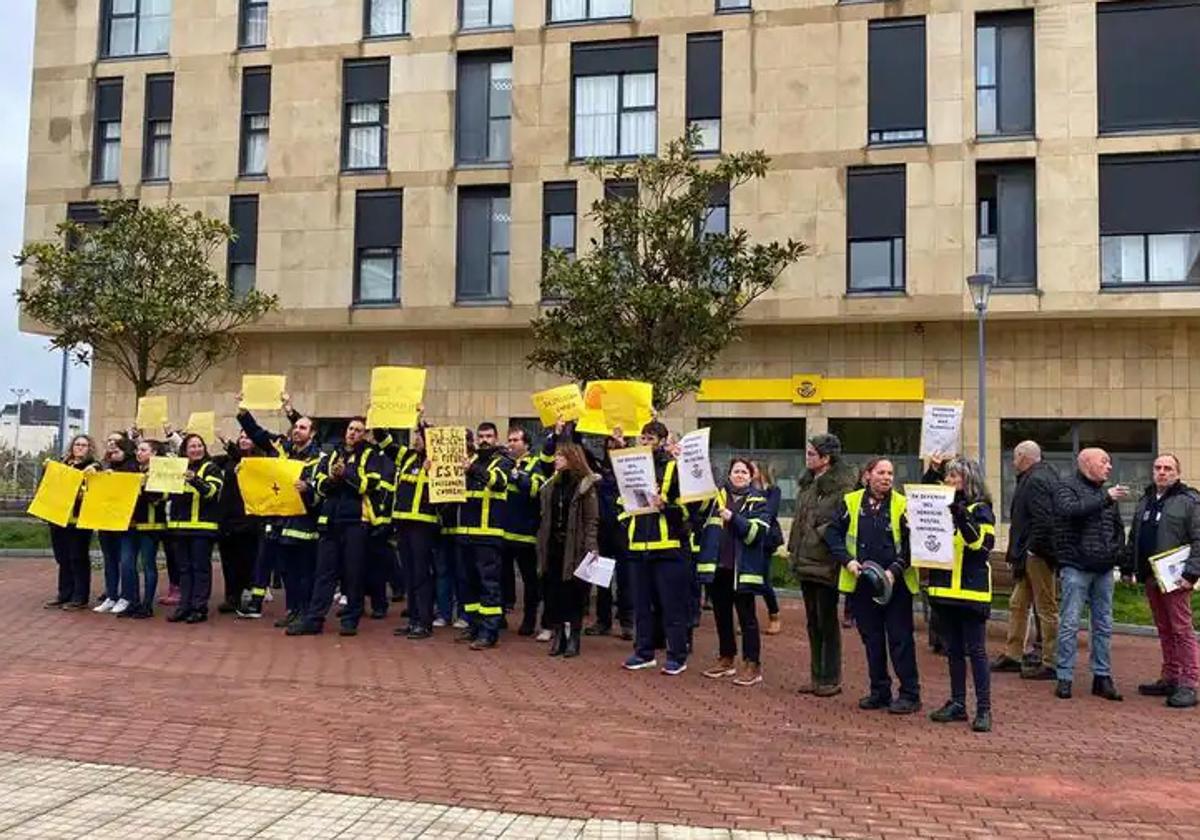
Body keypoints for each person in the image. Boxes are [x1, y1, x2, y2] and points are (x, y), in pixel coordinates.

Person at [825, 457, 921, 714]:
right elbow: (832, 534)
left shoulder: (902, 505)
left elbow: (915, 544)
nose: (887, 477)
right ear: (868, 475)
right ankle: (879, 691)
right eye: (881, 472)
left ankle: (910, 694)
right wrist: (847, 561)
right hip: (864, 584)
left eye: (890, 473)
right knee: (872, 639)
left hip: (896, 585)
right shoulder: (851, 501)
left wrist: (895, 570)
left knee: (900, 640)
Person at [287, 417, 386, 636]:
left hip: (356, 522)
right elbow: (319, 485)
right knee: (324, 572)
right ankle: (314, 620)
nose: (352, 433)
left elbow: (370, 484)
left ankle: (351, 619)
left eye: (358, 430)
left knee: (353, 573)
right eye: (350, 429)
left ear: (366, 434)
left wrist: (346, 474)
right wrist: (332, 478)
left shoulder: (371, 455)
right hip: (331, 521)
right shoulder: (333, 453)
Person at [236, 395, 323, 625]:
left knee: (305, 572)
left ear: (312, 434)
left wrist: (308, 488)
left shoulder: (318, 457)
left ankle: (305, 612)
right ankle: (292, 611)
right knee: (287, 572)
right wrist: (244, 413)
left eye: (303, 428)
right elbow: (258, 434)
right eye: (295, 427)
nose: (297, 431)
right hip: (281, 522)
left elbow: (321, 489)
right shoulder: (282, 447)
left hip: (305, 524)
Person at [1052, 447, 1129, 701]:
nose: (1109, 467)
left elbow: (1116, 527)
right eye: (1104, 462)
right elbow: (1070, 512)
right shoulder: (1066, 487)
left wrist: (1117, 553)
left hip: (1104, 568)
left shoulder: (1107, 494)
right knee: (1070, 622)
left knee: (1104, 624)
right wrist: (1105, 498)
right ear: (1086, 463)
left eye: (1109, 462)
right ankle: (1064, 676)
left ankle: (1102, 676)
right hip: (1076, 566)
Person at [927, 458, 995, 733]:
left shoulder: (982, 510)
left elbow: (979, 545)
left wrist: (959, 514)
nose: (951, 481)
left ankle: (984, 709)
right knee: (953, 650)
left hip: (971, 591)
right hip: (944, 589)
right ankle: (957, 703)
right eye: (948, 477)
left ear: (970, 480)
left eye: (956, 477)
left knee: (976, 651)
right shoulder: (941, 507)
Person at [1127, 454, 1200, 709]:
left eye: (1168, 468)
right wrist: (1129, 565)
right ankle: (1170, 676)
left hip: (1176, 579)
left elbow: (1199, 540)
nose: (1162, 472)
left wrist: (1191, 574)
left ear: (1177, 473)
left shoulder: (1189, 501)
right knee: (1164, 628)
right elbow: (1135, 534)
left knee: (1182, 629)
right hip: (1151, 576)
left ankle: (1189, 682)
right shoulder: (1146, 499)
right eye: (1158, 468)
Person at [787, 433, 857, 697]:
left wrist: (819, 535)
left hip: (825, 563)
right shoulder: (808, 486)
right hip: (804, 561)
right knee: (812, 621)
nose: (807, 458)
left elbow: (839, 525)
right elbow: (800, 522)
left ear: (826, 459)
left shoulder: (842, 490)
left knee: (826, 620)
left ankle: (831, 677)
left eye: (812, 454)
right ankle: (816, 676)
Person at [620, 421, 691, 676]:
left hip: (669, 547)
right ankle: (643, 652)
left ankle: (677, 656)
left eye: (650, 438)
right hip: (638, 544)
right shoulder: (631, 468)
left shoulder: (674, 467)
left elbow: (687, 512)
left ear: (662, 440)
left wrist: (665, 506)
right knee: (641, 605)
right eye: (642, 438)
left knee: (672, 606)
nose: (645, 442)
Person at [699, 458, 770, 686]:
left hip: (743, 570)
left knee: (747, 619)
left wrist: (734, 518)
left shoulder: (759, 501)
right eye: (735, 471)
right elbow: (697, 520)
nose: (739, 475)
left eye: (744, 472)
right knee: (721, 616)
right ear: (728, 475)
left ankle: (752, 664)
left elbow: (757, 533)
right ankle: (726, 658)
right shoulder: (715, 497)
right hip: (718, 567)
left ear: (751, 477)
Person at [992, 440, 1059, 680]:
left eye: (1014, 457)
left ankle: (1051, 660)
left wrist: (1032, 550)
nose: (1012, 462)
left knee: (1045, 607)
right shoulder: (1037, 477)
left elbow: (1044, 519)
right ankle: (1013, 653)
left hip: (1036, 556)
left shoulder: (1037, 481)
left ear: (1023, 457)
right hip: (1029, 555)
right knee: (1018, 603)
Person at [448, 423, 511, 650]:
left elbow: (498, 481)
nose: (484, 440)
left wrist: (471, 469)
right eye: (481, 436)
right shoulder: (471, 460)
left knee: (489, 585)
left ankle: (489, 631)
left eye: (489, 436)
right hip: (464, 532)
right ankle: (474, 625)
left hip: (488, 534)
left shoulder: (504, 461)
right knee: (468, 584)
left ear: (496, 438)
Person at [537, 442, 599, 658]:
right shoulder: (551, 485)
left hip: (576, 546)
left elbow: (592, 520)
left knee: (574, 592)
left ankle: (574, 636)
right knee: (554, 591)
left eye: (560, 456)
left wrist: (591, 547)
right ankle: (558, 635)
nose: (556, 460)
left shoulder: (584, 486)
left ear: (572, 458)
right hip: (554, 545)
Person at [165, 433, 224, 624]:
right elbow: (166, 494)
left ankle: (199, 608)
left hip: (202, 527)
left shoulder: (211, 468)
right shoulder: (177, 468)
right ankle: (184, 606)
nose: (196, 449)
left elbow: (212, 492)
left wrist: (194, 480)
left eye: (200, 445)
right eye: (192, 446)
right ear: (185, 450)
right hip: (179, 527)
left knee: (200, 569)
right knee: (184, 569)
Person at [389, 423, 440, 640]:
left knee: (421, 574)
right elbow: (385, 441)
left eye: (420, 436)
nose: (415, 439)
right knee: (409, 574)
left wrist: (433, 471)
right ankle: (413, 620)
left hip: (423, 525)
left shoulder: (438, 462)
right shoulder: (407, 457)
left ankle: (424, 622)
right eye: (415, 435)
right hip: (403, 523)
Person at [586, 429, 634, 640]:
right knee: (601, 578)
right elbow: (579, 450)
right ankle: (603, 621)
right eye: (610, 444)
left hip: (624, 530)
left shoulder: (630, 468)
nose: (613, 447)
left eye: (617, 443)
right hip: (602, 529)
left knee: (626, 579)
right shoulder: (598, 467)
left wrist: (623, 448)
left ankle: (627, 622)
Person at [502, 425, 550, 636]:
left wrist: (516, 476)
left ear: (527, 444)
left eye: (515, 440)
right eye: (509, 440)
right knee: (503, 578)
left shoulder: (535, 464)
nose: (511, 444)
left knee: (530, 579)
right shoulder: (503, 462)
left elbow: (535, 489)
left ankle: (530, 620)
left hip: (525, 532)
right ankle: (500, 616)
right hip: (502, 531)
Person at [44, 434, 98, 611]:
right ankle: (64, 594)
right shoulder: (63, 464)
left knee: (78, 557)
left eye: (84, 445)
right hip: (59, 518)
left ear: (90, 448)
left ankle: (79, 597)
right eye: (77, 444)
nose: (80, 448)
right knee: (63, 558)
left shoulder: (93, 467)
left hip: (79, 520)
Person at [214, 431, 259, 616]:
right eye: (241, 436)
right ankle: (231, 597)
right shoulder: (227, 461)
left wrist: (230, 445)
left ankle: (247, 596)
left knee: (246, 560)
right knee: (228, 560)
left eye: (248, 436)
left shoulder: (259, 460)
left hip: (248, 519)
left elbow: (246, 464)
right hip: (227, 518)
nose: (243, 440)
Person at [94, 433, 138, 614]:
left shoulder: (133, 468)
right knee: (109, 561)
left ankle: (127, 596)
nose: (112, 450)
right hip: (106, 521)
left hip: (127, 524)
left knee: (127, 562)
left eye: (117, 447)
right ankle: (111, 596)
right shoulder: (103, 466)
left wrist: (116, 477)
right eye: (110, 444)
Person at [124, 439, 165, 619]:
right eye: (138, 450)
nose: (138, 453)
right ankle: (132, 601)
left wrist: (144, 486)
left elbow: (162, 497)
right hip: (130, 524)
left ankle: (147, 604)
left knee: (148, 563)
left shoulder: (161, 472)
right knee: (127, 564)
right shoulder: (133, 469)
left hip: (151, 524)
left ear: (154, 453)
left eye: (143, 450)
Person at [750, 461, 785, 636]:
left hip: (765, 539)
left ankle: (774, 615)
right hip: (747, 538)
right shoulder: (745, 490)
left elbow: (770, 512)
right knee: (745, 581)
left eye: (752, 468)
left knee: (763, 580)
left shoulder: (773, 490)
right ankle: (748, 618)